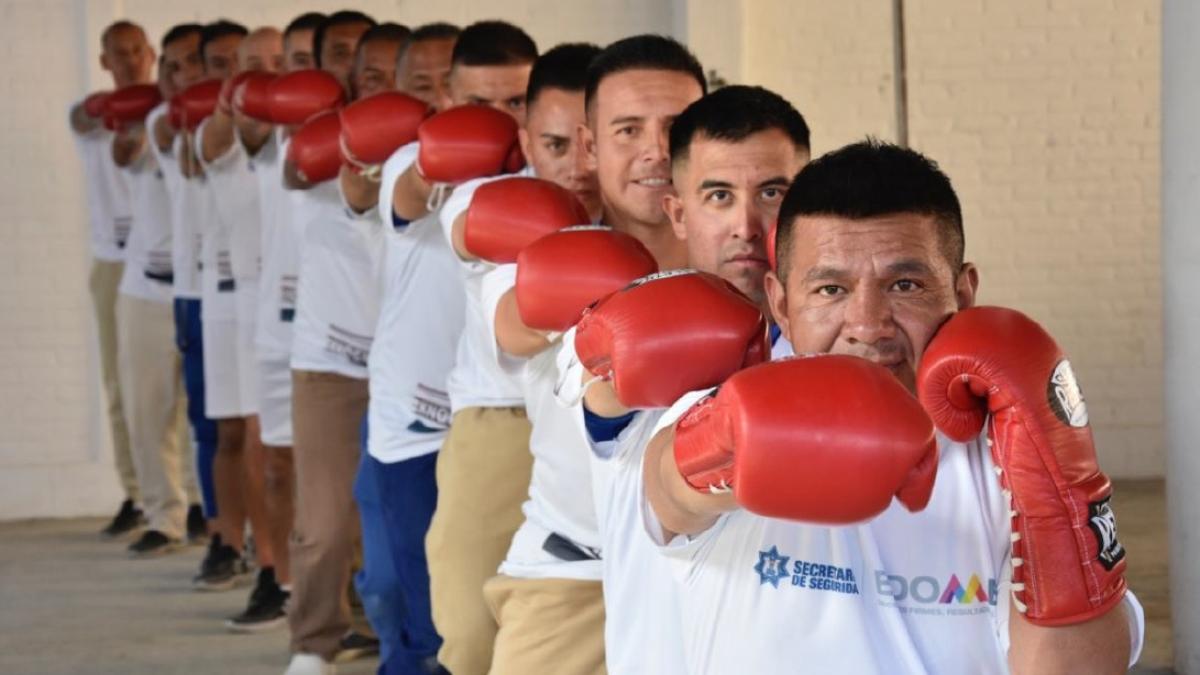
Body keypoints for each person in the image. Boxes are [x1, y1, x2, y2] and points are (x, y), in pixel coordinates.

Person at [634, 140, 1146, 673]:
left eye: (905, 285)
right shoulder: (729, 403)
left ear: (962, 294)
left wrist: (1059, 488)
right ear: (781, 302)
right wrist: (727, 438)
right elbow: (668, 497)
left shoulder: (1010, 452)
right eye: (831, 289)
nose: (867, 325)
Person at [564, 82, 811, 675]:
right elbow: (600, 400)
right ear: (678, 209)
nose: (746, 226)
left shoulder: (831, 350)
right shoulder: (614, 328)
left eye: (772, 193)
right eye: (718, 195)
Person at [443, 42, 611, 673]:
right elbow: (466, 237)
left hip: (609, 449)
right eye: (556, 145)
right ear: (526, 141)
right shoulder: (492, 201)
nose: (578, 166)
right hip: (498, 417)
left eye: (591, 143)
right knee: (466, 635)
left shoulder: (671, 220)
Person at [382, 20, 538, 675]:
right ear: (448, 98)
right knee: (459, 616)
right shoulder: (432, 165)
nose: (498, 121)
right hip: (478, 410)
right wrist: (435, 162)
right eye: (480, 105)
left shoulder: (554, 161)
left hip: (578, 411)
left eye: (515, 103)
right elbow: (396, 197)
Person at [343, 21, 461, 675]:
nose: (443, 95)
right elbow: (374, 193)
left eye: (455, 83)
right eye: (424, 85)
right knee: (394, 590)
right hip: (407, 415)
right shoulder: (400, 164)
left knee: (459, 612)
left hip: (492, 414)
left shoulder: (524, 167)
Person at [285, 11, 392, 674]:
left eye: (379, 66)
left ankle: (401, 633)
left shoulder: (434, 140)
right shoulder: (315, 133)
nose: (364, 76)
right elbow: (300, 172)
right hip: (329, 357)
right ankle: (312, 643)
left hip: (412, 363)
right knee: (324, 523)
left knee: (398, 522)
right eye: (354, 63)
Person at [193, 24, 289, 629]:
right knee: (256, 443)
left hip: (301, 300)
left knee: (285, 452)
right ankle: (271, 569)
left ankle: (296, 572)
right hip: (246, 300)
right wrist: (236, 101)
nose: (265, 73)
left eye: (279, 63)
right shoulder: (220, 133)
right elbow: (209, 141)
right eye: (251, 65)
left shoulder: (309, 130)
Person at [68, 20, 155, 539]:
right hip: (113, 262)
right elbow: (81, 118)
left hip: (169, 265)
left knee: (178, 393)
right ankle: (137, 495)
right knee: (120, 386)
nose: (128, 61)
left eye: (136, 52)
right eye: (117, 54)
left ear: (150, 53)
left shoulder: (171, 114)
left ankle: (188, 499)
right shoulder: (92, 115)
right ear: (104, 62)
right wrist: (113, 109)